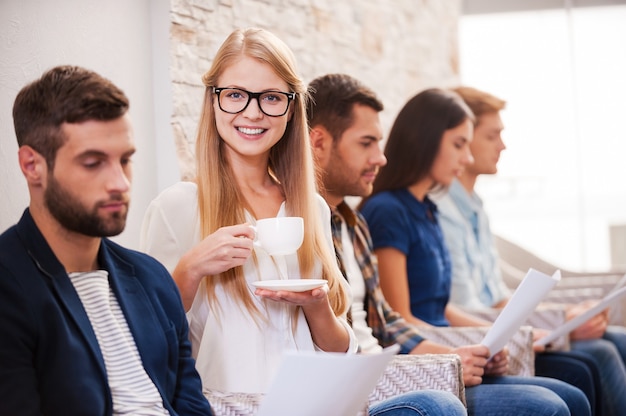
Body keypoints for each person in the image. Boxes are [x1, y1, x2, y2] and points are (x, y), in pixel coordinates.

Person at [140, 28, 452, 416]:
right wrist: (189, 270)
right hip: (233, 408)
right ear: (213, 101)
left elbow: (340, 350)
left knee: (437, 406)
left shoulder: (312, 209)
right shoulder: (178, 207)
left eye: (271, 98)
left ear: (290, 109)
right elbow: (146, 343)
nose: (252, 113)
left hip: (320, 405)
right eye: (236, 95)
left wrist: (318, 306)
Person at [358, 87, 592, 416]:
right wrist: (458, 352)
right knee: (555, 402)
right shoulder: (388, 211)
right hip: (429, 364)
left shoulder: (427, 208)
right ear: (425, 140)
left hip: (452, 352)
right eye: (458, 145)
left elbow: (443, 307)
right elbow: (398, 318)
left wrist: (486, 342)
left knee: (572, 395)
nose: (466, 158)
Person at [0, 65, 212, 416]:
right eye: (93, 163)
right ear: (32, 165)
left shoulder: (153, 278)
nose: (121, 183)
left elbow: (192, 405)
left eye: (125, 160)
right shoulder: (8, 287)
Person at [433, 85, 626, 416]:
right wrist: (550, 327)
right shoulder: (437, 211)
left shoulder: (475, 207)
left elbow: (497, 297)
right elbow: (463, 308)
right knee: (600, 355)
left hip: (503, 334)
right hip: (478, 341)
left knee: (616, 339)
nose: (503, 146)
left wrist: (564, 317)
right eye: (492, 136)